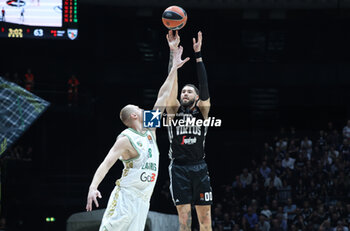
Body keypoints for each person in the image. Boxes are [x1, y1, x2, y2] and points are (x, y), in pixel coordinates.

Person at [85, 46, 190, 231]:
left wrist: (174, 66)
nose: (143, 109)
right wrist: (93, 187)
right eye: (138, 109)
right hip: (126, 196)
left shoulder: (150, 128)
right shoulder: (126, 138)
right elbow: (106, 163)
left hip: (143, 199)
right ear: (133, 116)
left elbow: (163, 95)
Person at [165, 30, 212, 230]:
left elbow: (204, 85)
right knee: (184, 220)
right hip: (179, 168)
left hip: (199, 167)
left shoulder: (203, 112)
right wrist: (173, 56)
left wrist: (198, 55)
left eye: (189, 91)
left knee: (205, 220)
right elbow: (170, 88)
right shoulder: (173, 112)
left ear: (197, 96)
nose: (185, 93)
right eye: (183, 91)